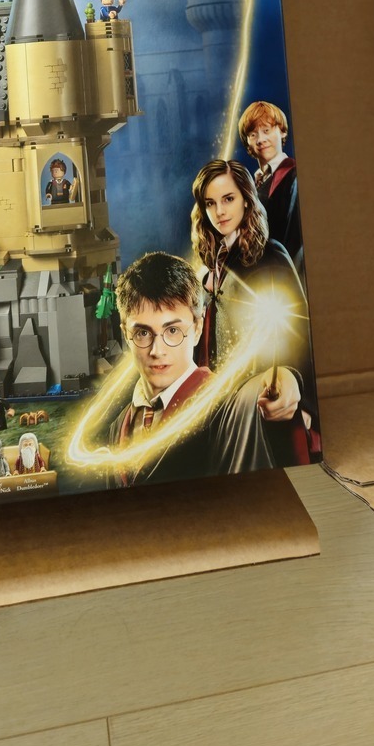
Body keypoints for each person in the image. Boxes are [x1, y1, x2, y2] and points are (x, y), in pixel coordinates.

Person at [104, 252, 301, 486]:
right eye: (143, 333)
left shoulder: (222, 404)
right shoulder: (117, 427)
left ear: (197, 328)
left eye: (172, 331)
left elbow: (247, 401)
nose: (157, 350)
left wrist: (286, 379)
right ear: (125, 333)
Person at [189, 159, 318, 463]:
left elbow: (300, 334)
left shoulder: (271, 256)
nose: (219, 212)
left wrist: (300, 395)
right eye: (210, 203)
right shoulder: (210, 267)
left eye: (228, 199)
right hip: (222, 408)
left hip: (267, 403)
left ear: (246, 200)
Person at [236, 101, 302, 275]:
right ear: (247, 142)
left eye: (266, 130)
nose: (260, 140)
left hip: (285, 275)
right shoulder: (251, 184)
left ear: (282, 131)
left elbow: (296, 242)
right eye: (253, 134)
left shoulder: (295, 177)